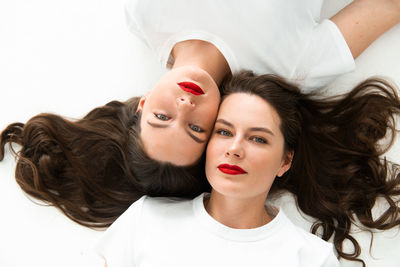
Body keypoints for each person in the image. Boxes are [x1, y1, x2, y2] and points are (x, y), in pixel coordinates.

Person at [91, 71, 400, 266]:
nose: (235, 148)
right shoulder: (146, 219)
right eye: (223, 132)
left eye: (257, 138)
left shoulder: (309, 258)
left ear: (285, 161)